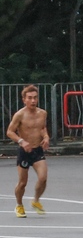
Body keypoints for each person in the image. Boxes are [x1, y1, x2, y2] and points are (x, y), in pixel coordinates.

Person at [6, 84, 50, 218]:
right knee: (22, 183)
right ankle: (19, 205)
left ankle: (36, 201)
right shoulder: (20, 115)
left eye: (35, 98)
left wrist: (46, 137)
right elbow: (10, 132)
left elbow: (42, 128)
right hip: (24, 152)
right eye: (30, 98)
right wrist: (21, 141)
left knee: (43, 178)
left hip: (37, 150)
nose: (33, 100)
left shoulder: (42, 113)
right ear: (24, 100)